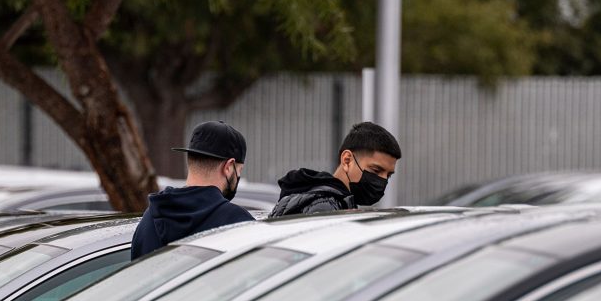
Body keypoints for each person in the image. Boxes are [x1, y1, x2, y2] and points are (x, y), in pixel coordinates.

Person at [131, 121, 254, 260]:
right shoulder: (238, 221)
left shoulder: (150, 218)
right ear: (229, 167)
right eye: (239, 170)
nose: (238, 176)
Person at [269, 121, 401, 218]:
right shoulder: (326, 208)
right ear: (347, 160)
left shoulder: (332, 202)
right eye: (376, 170)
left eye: (388, 175)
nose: (382, 181)